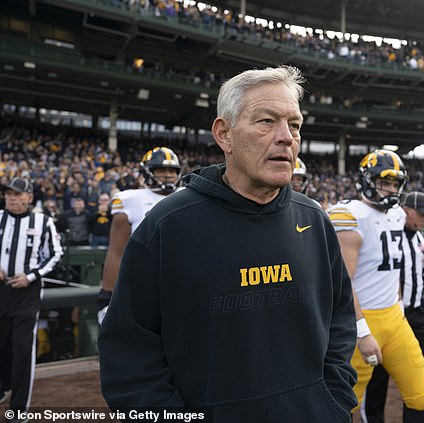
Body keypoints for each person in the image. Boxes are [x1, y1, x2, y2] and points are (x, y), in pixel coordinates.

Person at [99, 66, 358, 421]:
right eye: (266, 121)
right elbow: (129, 356)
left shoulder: (314, 219)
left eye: (294, 125)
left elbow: (340, 321)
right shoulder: (168, 225)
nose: (286, 137)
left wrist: (330, 400)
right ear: (224, 135)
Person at [328, 150, 424, 422]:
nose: (391, 189)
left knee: (421, 396)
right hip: (361, 320)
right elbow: (342, 282)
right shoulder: (350, 215)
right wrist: (361, 332)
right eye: (384, 182)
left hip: (395, 319)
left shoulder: (398, 214)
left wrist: (398, 304)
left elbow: (393, 267)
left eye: (395, 184)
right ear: (366, 180)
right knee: (345, 405)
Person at [363, 191, 424, 423]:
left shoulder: (422, 239)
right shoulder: (387, 232)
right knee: (377, 377)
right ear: (406, 210)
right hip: (387, 313)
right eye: (420, 214)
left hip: (416, 314)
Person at [0, 177, 63, 421]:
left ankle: (18, 410)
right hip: (1, 290)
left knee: (23, 349)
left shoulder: (43, 222)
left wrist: (31, 275)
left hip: (27, 292)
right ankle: (4, 385)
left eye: (17, 195)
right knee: (3, 343)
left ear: (29, 198)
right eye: (8, 194)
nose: (12, 198)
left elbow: (56, 254)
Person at [96, 146, 181, 324]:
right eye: (161, 170)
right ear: (147, 172)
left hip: (180, 284)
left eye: (171, 170)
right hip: (144, 284)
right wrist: (109, 294)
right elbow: (116, 252)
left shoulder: (188, 195)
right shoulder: (130, 200)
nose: (167, 175)